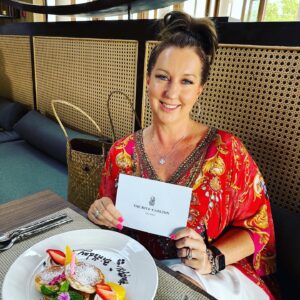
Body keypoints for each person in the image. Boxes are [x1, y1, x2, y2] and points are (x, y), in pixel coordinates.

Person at [88, 11, 277, 300]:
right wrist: (100, 212)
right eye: (163, 77)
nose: (171, 92)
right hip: (137, 275)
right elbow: (109, 217)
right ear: (148, 79)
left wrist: (212, 258)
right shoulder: (121, 152)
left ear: (200, 89)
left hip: (211, 279)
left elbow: (257, 228)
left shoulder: (228, 153)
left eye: (186, 81)